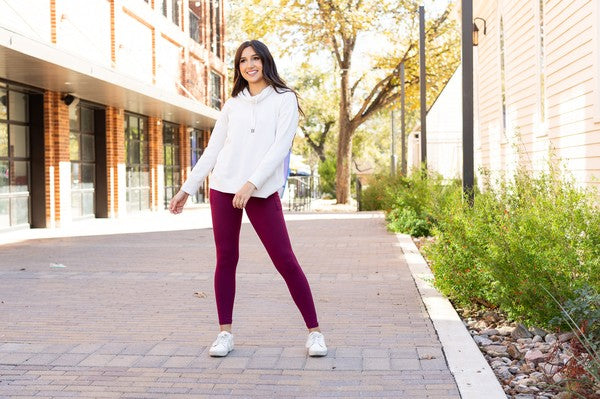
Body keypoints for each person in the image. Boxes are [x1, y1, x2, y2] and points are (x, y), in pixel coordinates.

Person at [168, 40, 327, 358]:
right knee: (226, 259)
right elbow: (213, 149)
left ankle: (315, 333)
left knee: (285, 260)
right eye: (243, 61)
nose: (249, 65)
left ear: (266, 61)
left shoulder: (285, 100)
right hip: (224, 188)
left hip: (261, 191)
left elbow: (280, 147)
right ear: (238, 68)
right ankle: (224, 333)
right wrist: (187, 188)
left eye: (255, 58)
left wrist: (251, 185)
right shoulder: (233, 104)